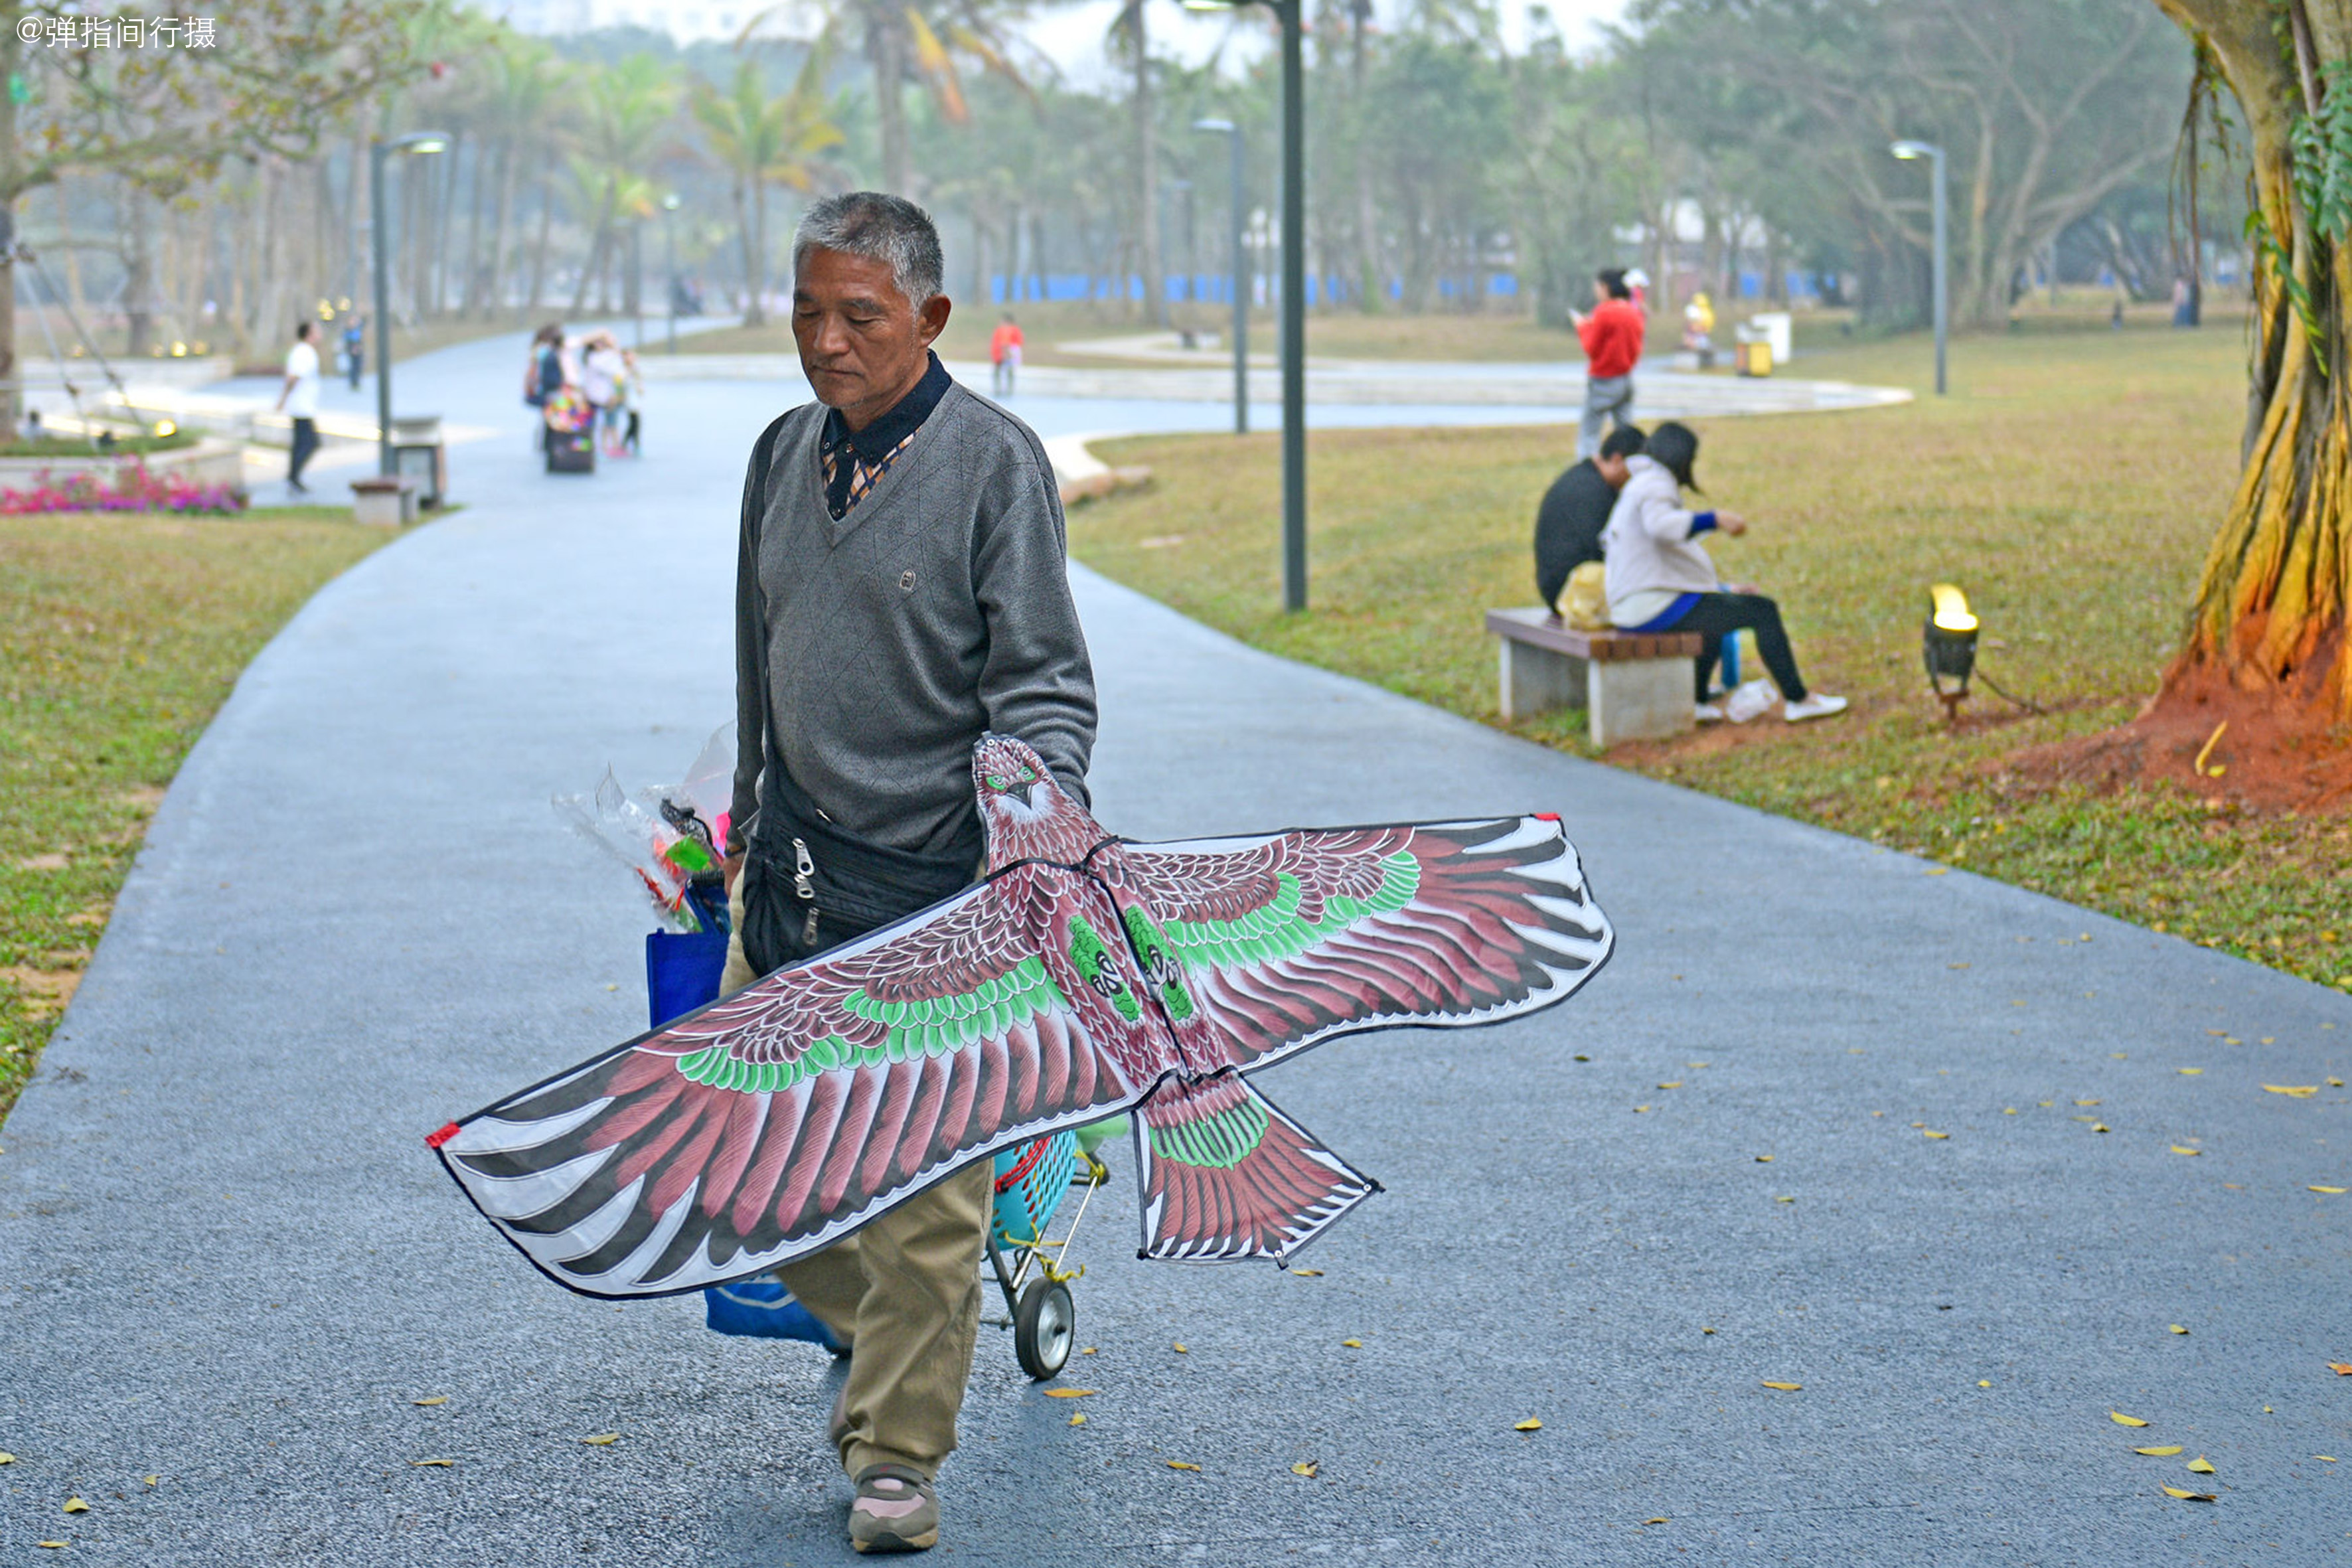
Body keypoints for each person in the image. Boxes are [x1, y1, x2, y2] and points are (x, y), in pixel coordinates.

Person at [720, 191, 1095, 1555]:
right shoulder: (778, 454)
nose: (826, 342)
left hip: (943, 898)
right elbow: (760, 659)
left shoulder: (994, 464)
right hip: (787, 881)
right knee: (745, 1179)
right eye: (808, 311)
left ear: (930, 319)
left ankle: (895, 1453)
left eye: (859, 317)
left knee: (927, 1206)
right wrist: (746, 815)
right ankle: (893, 1330)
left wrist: (1036, 823)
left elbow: (1047, 685)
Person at [1600, 420, 1847, 724]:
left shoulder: (1639, 483)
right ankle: (1798, 699)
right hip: (1648, 605)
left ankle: (1697, 701)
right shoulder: (1656, 483)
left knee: (1713, 621)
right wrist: (1714, 519)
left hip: (1634, 604)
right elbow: (1661, 527)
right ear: (1682, 458)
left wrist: (1722, 590)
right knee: (1763, 611)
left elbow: (1660, 559)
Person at [1534, 423, 1644, 613]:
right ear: (1618, 460)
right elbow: (1612, 549)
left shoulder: (1582, 477)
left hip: (1557, 587)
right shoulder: (1595, 492)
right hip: (1573, 593)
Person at [1569, 268, 1644, 459]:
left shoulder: (1604, 312)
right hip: (1626, 379)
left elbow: (1592, 348)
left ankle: (1586, 471)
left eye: (1597, 286)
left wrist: (1582, 326)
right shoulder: (1633, 311)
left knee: (1590, 433)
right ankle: (1631, 464)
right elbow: (1635, 348)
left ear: (1606, 287)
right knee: (1626, 430)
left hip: (1604, 381)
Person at [275, 320, 321, 495]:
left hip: (301, 405)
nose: (320, 334)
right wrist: (283, 399)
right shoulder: (305, 353)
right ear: (309, 334)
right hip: (302, 407)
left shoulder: (301, 351)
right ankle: (293, 477)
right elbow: (293, 377)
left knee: (300, 444)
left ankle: (293, 478)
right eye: (317, 330)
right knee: (310, 443)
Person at [582, 331, 627, 457]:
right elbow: (588, 376)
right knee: (591, 423)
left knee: (609, 424)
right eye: (597, 342)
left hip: (608, 395)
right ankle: (592, 448)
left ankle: (608, 448)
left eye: (602, 342)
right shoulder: (591, 358)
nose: (599, 345)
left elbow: (619, 375)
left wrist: (617, 394)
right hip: (593, 395)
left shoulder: (612, 357)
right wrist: (584, 392)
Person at [988, 311, 1023, 397]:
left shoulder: (1009, 329)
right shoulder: (1001, 329)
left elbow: (1009, 343)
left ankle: (1006, 390)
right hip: (1000, 354)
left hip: (1007, 354)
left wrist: (1007, 353)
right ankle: (1001, 390)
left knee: (1007, 372)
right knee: (1001, 372)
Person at [342, 317, 365, 391]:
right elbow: (348, 342)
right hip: (352, 351)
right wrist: (352, 349)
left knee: (358, 367)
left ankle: (357, 383)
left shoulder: (357, 329)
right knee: (353, 367)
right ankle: (353, 383)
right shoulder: (348, 331)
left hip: (358, 351)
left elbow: (359, 340)